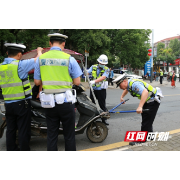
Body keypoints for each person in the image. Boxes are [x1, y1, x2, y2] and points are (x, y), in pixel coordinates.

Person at [34, 33, 83, 151]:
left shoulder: (41, 59)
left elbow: (36, 82)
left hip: (49, 103)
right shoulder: (69, 59)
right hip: (66, 103)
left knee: (52, 134)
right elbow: (77, 82)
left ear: (50, 43)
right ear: (63, 44)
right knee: (69, 135)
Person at [0, 43, 43, 151]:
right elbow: (38, 60)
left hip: (8, 104)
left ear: (7, 53)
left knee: (10, 129)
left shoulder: (1, 67)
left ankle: (11, 149)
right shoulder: (20, 65)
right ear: (19, 55)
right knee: (23, 129)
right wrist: (39, 51)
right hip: (22, 104)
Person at [112, 74, 164, 146]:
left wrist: (140, 107)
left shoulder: (134, 84)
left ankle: (141, 140)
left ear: (124, 81)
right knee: (148, 119)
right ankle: (150, 135)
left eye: (120, 85)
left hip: (152, 101)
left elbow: (145, 92)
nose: (120, 87)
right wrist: (122, 97)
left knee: (146, 121)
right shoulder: (129, 84)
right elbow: (127, 89)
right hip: (148, 100)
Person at [88, 54, 109, 125]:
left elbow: (103, 77)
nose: (103, 64)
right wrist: (85, 73)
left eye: (104, 64)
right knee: (92, 104)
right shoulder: (93, 67)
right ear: (99, 62)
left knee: (102, 104)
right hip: (93, 89)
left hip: (101, 89)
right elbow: (87, 72)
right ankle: (92, 119)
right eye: (101, 63)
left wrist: (94, 81)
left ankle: (104, 119)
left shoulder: (107, 69)